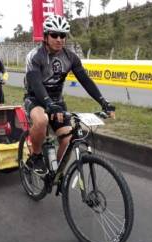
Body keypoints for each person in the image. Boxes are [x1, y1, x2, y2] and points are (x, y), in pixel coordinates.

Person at [24, 15, 115, 176]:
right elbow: (36, 83)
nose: (59, 39)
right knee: (41, 120)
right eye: (54, 35)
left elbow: (85, 80)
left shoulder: (70, 57)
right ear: (46, 36)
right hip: (35, 98)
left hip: (57, 101)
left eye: (63, 35)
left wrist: (103, 101)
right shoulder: (35, 56)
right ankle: (36, 156)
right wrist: (48, 105)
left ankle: (55, 174)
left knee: (67, 139)